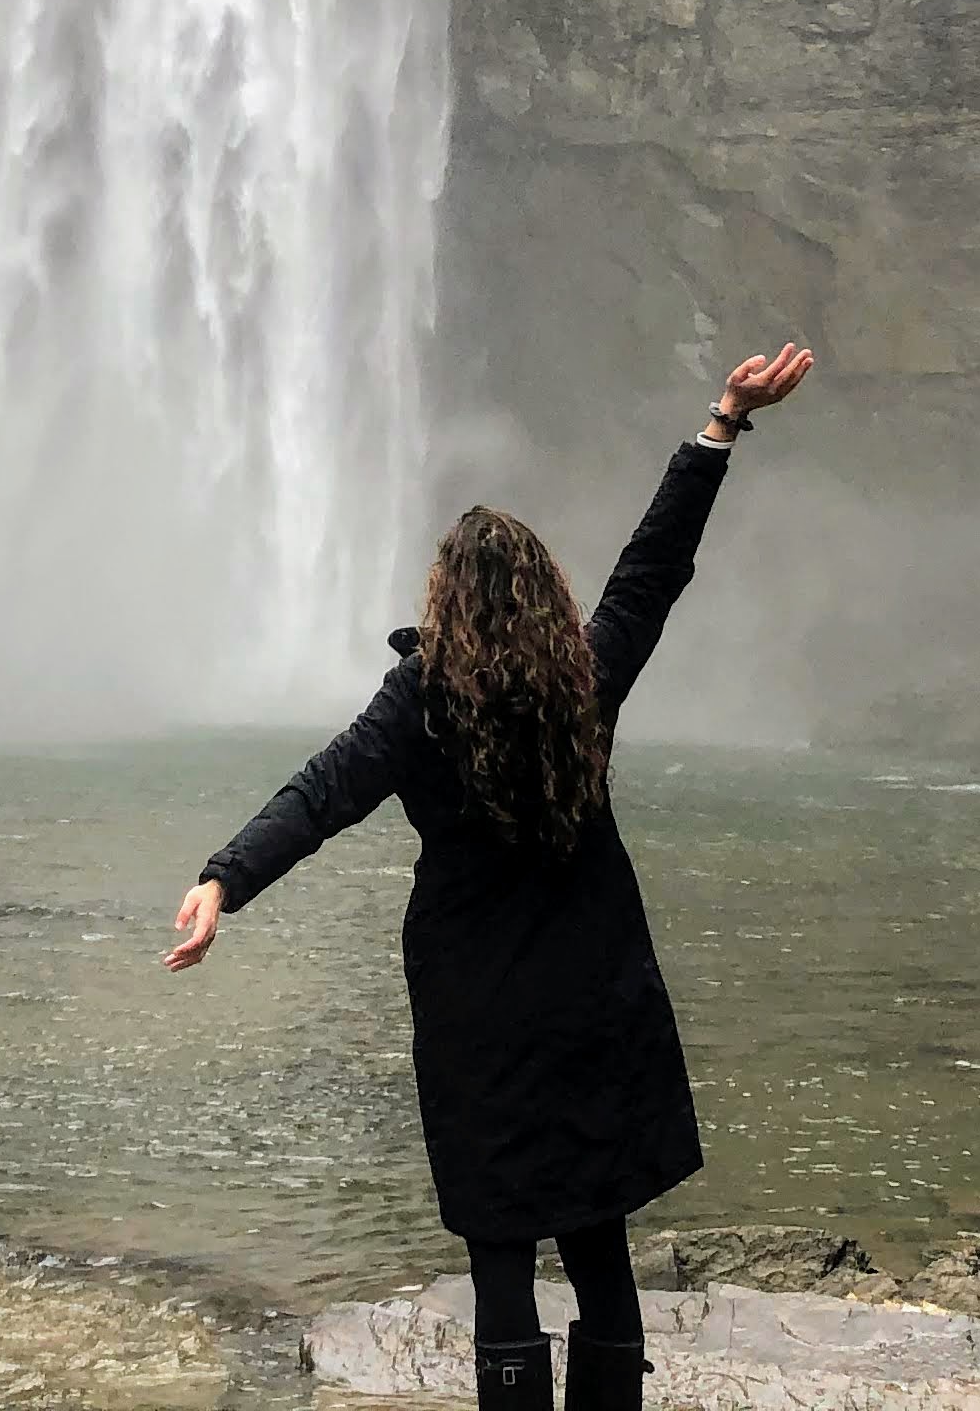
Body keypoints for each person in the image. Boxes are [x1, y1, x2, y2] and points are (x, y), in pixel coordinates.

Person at [165, 344, 815, 1411]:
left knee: (501, 1255)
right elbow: (653, 570)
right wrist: (721, 424)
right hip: (594, 1001)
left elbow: (321, 793)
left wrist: (222, 881)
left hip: (477, 1018)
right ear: (546, 594)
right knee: (598, 1245)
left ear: (447, 601)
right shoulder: (586, 681)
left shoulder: (420, 704)